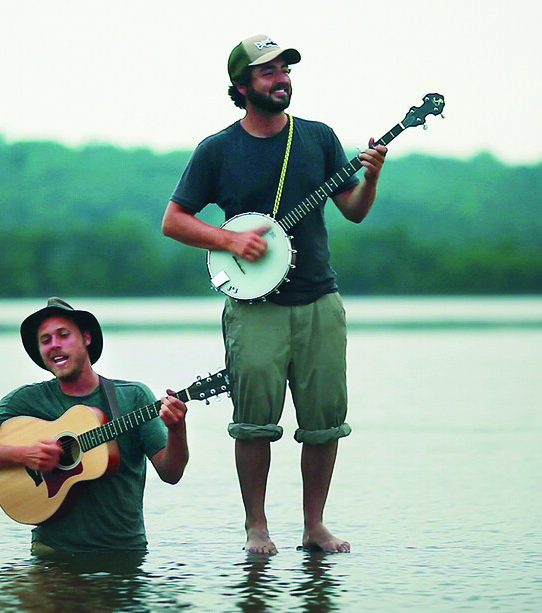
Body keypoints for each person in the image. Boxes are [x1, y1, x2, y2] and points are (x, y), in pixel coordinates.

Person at [161, 35, 387, 554]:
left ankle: (314, 526)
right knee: (254, 422)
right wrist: (228, 239)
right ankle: (256, 526)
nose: (281, 77)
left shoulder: (319, 137)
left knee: (325, 422)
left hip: (319, 299)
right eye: (267, 71)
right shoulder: (217, 149)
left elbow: (353, 210)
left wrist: (371, 177)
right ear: (241, 87)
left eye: (285, 68)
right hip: (253, 306)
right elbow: (174, 220)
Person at [0, 297, 189, 554]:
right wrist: (24, 454)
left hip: (123, 552)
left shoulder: (132, 397)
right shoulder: (28, 400)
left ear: (86, 338)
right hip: (51, 552)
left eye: (63, 335)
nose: (55, 345)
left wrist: (177, 430)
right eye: (45, 340)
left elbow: (171, 473)